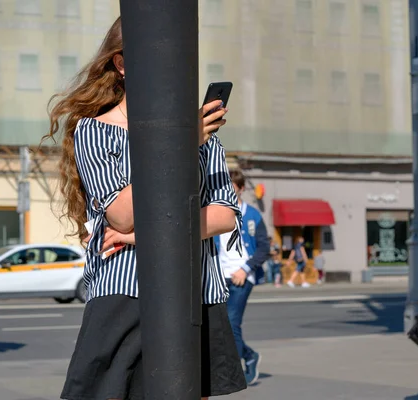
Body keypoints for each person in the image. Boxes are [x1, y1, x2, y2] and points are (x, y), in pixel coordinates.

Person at [45, 17, 246, 400]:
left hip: (196, 292)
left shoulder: (205, 139)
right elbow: (122, 214)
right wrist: (181, 145)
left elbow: (224, 215)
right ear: (121, 64)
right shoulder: (95, 131)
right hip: (125, 291)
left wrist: (140, 237)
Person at [214, 168, 269, 385]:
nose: (228, 191)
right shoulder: (216, 211)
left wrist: (245, 269)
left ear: (241, 189)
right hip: (219, 276)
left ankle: (231, 372)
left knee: (231, 323)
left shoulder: (253, 215)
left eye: (232, 188)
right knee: (221, 325)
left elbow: (264, 248)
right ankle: (249, 355)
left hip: (242, 276)